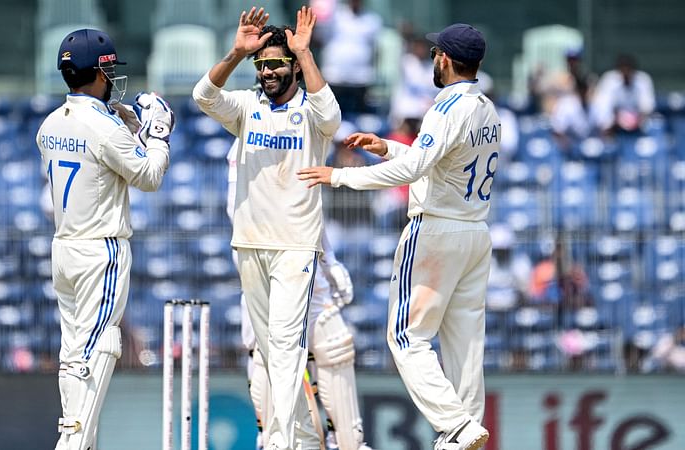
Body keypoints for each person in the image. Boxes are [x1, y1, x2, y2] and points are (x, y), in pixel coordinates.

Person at [298, 23, 499, 450]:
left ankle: (455, 426)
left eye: (434, 55)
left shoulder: (446, 109)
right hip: (475, 233)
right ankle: (465, 431)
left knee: (406, 337)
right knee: (466, 342)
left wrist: (340, 175)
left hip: (436, 232)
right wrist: (388, 147)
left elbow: (415, 172)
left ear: (444, 59)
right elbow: (438, 165)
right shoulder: (486, 109)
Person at [192, 6, 341, 449]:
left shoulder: (311, 112)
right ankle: (298, 439)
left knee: (285, 346)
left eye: (276, 63)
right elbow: (203, 95)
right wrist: (238, 53)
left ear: (292, 65)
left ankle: (279, 442)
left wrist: (304, 53)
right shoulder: (246, 106)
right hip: (249, 244)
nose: (268, 71)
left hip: (295, 246)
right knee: (269, 351)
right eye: (262, 65)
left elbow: (332, 116)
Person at [36, 28, 174, 450]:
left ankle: (80, 439)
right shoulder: (104, 127)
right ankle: (73, 443)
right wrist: (157, 136)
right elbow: (148, 177)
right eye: (109, 71)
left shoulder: (49, 124)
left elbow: (96, 163)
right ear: (99, 72)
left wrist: (125, 128)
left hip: (64, 250)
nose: (113, 79)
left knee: (73, 351)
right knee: (100, 346)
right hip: (101, 250)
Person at [225, 139, 372, 450]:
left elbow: (307, 208)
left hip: (303, 256)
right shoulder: (247, 139)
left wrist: (328, 260)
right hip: (263, 262)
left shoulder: (302, 132)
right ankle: (273, 439)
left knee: (334, 342)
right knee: (266, 354)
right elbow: (235, 211)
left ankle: (347, 443)